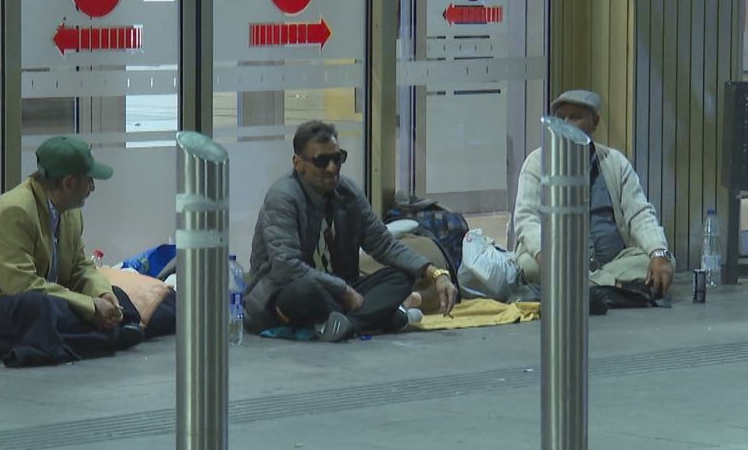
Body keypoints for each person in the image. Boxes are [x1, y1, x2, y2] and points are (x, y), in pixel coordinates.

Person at [0, 135, 144, 366]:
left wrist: (102, 295)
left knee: (116, 295)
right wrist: (90, 307)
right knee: (41, 308)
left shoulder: (69, 210)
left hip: (37, 301)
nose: (92, 187)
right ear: (68, 183)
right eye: (89, 180)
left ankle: (97, 334)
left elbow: (81, 268)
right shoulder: (14, 212)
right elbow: (22, 286)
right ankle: (106, 334)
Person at [244, 120, 459, 342]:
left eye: (338, 158)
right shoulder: (283, 197)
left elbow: (384, 244)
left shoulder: (348, 192)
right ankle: (376, 317)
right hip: (285, 296)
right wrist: (342, 290)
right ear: (299, 164)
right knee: (302, 290)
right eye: (322, 161)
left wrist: (436, 274)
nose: (332, 168)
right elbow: (286, 267)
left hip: (341, 293)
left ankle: (347, 324)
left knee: (402, 276)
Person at [511, 90, 675, 296]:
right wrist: (543, 253)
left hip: (614, 263)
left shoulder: (615, 162)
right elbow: (526, 218)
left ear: (595, 122)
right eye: (560, 118)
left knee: (661, 260)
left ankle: (582, 286)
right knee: (530, 266)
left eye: (575, 117)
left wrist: (658, 252)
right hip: (558, 260)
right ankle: (606, 288)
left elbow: (640, 214)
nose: (566, 124)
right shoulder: (537, 162)